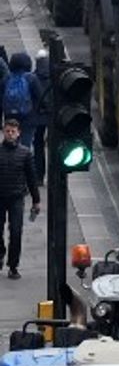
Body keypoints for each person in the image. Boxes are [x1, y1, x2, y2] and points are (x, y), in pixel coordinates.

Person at [0, 120, 36, 280]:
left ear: (18, 133)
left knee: (16, 231)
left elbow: (31, 178)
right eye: (7, 131)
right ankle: (0, 254)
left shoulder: (25, 153)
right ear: (3, 132)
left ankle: (13, 265)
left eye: (13, 131)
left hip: (16, 198)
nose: (10, 134)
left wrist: (36, 200)